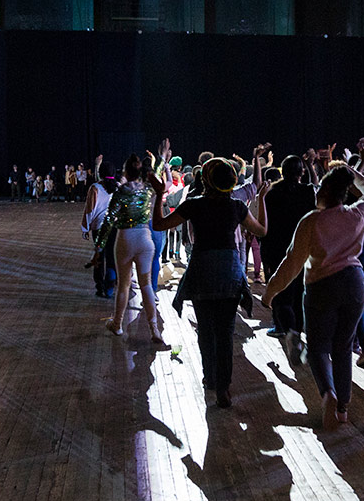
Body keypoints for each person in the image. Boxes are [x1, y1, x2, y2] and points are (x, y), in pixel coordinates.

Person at [262, 157, 364, 430]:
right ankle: (343, 408)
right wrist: (347, 172)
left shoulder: (311, 221)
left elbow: (291, 262)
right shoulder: (357, 214)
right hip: (355, 283)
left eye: (319, 188)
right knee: (343, 346)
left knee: (317, 348)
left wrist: (270, 294)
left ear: (325, 192)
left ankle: (328, 393)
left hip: (321, 286)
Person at [157, 156, 267, 408]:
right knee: (225, 332)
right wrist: (261, 199)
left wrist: (157, 193)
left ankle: (210, 379)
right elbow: (262, 231)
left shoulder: (193, 204)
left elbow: (159, 224)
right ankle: (224, 388)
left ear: (205, 179)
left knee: (206, 331)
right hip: (229, 270)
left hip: (203, 269)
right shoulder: (237, 206)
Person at [103, 154, 167, 346]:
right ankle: (154, 329)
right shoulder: (147, 190)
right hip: (145, 240)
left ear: (125, 172)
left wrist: (99, 246)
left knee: (123, 284)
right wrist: (162, 157)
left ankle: (117, 324)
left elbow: (108, 221)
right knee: (146, 285)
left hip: (125, 239)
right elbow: (156, 177)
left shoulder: (121, 193)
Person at [262, 154, 318, 361]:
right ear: (301, 172)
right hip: (303, 248)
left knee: (281, 293)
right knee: (299, 292)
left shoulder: (272, 193)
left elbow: (265, 225)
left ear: (282, 171)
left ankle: (288, 331)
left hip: (276, 248)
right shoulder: (307, 192)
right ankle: (298, 332)